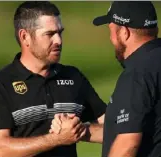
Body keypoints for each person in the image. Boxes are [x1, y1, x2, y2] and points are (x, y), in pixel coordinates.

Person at [0, 1, 107, 157]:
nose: (58, 40)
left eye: (60, 32)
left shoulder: (73, 77)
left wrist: (79, 129)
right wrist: (56, 139)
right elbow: (1, 149)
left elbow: (113, 129)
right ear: (25, 37)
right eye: (50, 34)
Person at [51, 1, 161, 157]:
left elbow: (127, 146)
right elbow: (138, 127)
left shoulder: (137, 75)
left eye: (111, 31)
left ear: (124, 32)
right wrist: (80, 130)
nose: (111, 39)